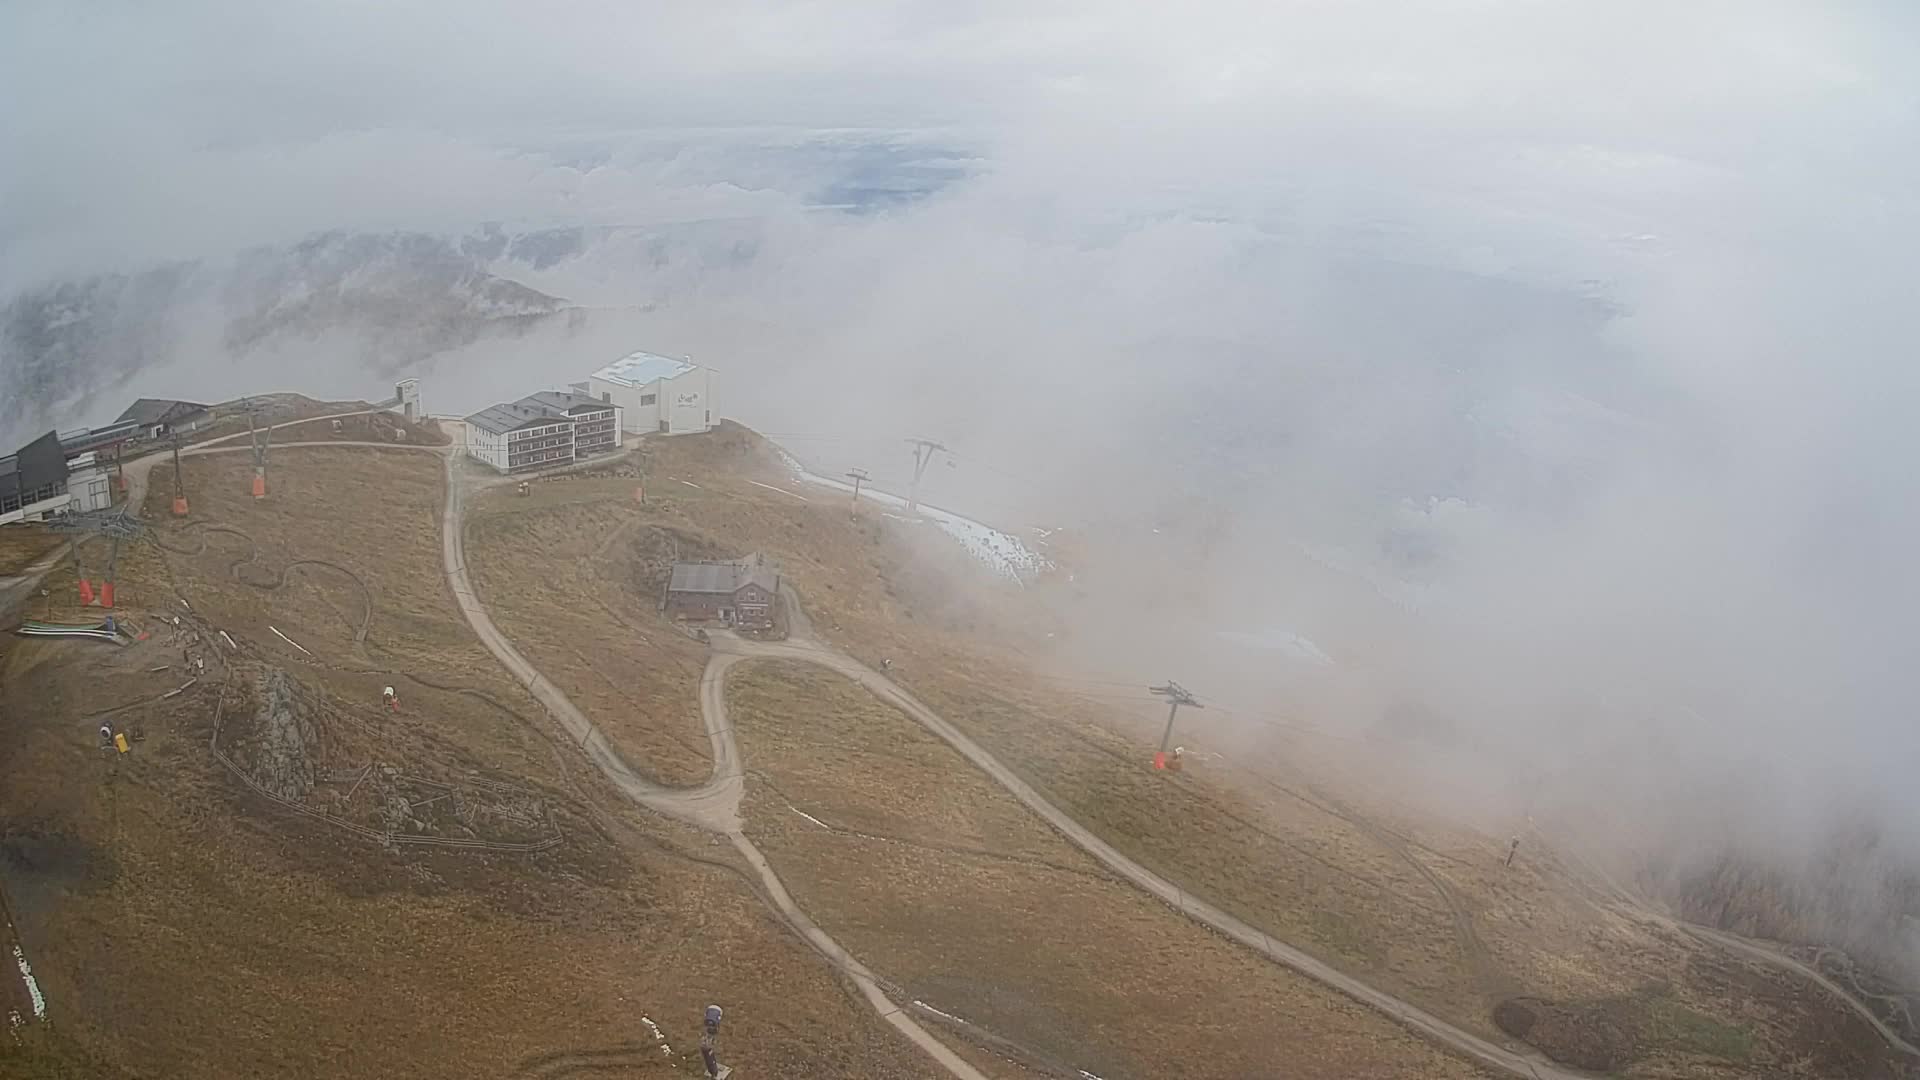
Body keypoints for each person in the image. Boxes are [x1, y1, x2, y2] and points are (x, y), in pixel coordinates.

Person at [700, 1005, 723, 1078]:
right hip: (707, 1047)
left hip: (708, 1046)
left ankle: (713, 1071)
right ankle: (713, 1071)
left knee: (708, 1051)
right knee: (707, 1051)